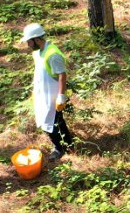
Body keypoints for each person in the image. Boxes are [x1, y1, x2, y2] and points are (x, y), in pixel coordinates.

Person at [21, 23, 75, 161]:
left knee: (54, 123)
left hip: (53, 97)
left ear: (36, 39)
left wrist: (61, 97)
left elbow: (62, 75)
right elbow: (40, 73)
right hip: (42, 95)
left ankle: (62, 147)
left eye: (28, 41)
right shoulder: (38, 53)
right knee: (50, 122)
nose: (27, 44)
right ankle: (65, 146)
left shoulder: (52, 55)